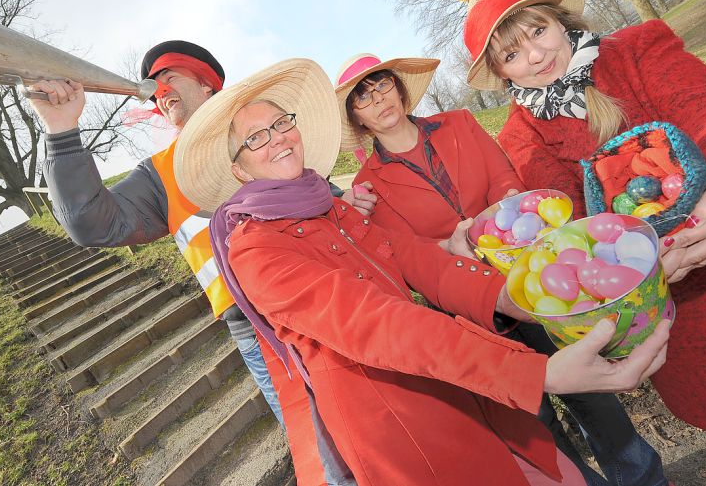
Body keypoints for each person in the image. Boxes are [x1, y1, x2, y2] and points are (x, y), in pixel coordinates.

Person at [172, 57, 672, 485]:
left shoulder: (332, 208)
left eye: (282, 124)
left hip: (448, 375)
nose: (277, 140)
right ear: (239, 170)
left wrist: (521, 295)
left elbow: (418, 260)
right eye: (256, 138)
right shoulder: (254, 249)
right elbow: (376, 322)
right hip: (396, 422)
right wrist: (534, 372)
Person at [461, 0, 706, 484]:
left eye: (538, 29)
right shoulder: (521, 137)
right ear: (499, 71)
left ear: (561, 21)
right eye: (511, 54)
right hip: (701, 324)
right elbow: (580, 235)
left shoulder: (637, 51)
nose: (535, 55)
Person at [29, 41, 358, 485]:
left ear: (207, 87)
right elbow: (91, 224)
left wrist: (348, 203)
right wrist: (62, 129)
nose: (158, 88)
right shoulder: (159, 174)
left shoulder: (258, 134)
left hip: (325, 295)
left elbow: (311, 189)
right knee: (324, 456)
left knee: (374, 418)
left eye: (169, 76)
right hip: (252, 325)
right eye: (153, 86)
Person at [335, 53, 668, 486]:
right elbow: (408, 253)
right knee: (532, 418)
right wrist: (456, 246)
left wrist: (506, 216)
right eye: (363, 97)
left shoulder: (459, 123)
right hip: (470, 309)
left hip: (535, 279)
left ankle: (645, 478)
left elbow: (502, 175)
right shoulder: (370, 185)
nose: (378, 99)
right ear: (356, 118)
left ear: (398, 87)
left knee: (590, 388)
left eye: (381, 85)